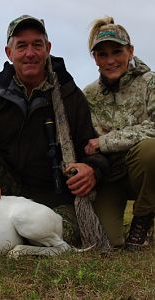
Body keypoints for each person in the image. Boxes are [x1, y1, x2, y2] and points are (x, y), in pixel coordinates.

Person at [0, 15, 109, 246]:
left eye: (37, 45)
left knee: (62, 236)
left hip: (54, 199)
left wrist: (92, 168)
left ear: (48, 48)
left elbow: (93, 145)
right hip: (3, 192)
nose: (30, 53)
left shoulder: (70, 95)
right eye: (21, 46)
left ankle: (4, 233)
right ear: (9, 52)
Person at [83, 16, 155, 250]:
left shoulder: (149, 82)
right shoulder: (89, 95)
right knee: (109, 241)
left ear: (130, 51)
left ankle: (143, 218)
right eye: (102, 54)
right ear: (95, 59)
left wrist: (105, 141)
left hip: (144, 171)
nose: (110, 60)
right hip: (111, 177)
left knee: (149, 150)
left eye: (117, 51)